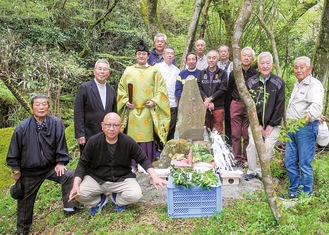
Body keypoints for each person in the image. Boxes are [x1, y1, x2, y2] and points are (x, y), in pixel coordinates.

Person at [69, 112, 168, 215]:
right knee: (79, 193)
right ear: (102, 126)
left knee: (136, 195)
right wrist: (75, 185)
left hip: (122, 178)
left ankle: (118, 200)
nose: (111, 129)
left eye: (115, 125)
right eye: (108, 125)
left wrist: (155, 177)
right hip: (97, 179)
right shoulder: (93, 142)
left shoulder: (128, 141)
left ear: (120, 127)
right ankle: (99, 201)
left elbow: (143, 159)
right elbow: (82, 164)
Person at [6, 94, 77, 235]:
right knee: (24, 202)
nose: (41, 107)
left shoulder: (56, 123)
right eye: (37, 104)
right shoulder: (22, 128)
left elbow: (61, 145)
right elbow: (14, 151)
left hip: (50, 167)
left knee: (69, 176)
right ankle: (22, 230)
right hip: (29, 171)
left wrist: (61, 162)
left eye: (44, 104)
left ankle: (70, 208)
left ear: (48, 107)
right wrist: (15, 169)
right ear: (32, 107)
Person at [117, 40, 170, 168]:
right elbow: (121, 90)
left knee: (147, 137)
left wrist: (154, 101)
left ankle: (146, 163)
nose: (141, 56)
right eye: (139, 54)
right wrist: (125, 102)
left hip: (147, 109)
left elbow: (162, 90)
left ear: (148, 56)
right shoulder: (128, 71)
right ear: (136, 55)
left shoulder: (154, 71)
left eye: (144, 54)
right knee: (132, 137)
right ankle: (132, 163)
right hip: (132, 110)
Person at [283, 56, 324, 198]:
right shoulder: (298, 84)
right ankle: (294, 192)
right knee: (289, 161)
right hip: (292, 128)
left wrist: (306, 119)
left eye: (302, 67)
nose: (298, 70)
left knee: (305, 163)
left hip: (305, 128)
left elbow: (316, 105)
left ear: (309, 69)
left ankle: (306, 196)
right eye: (296, 67)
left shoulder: (314, 84)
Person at [244, 52, 285, 181]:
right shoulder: (251, 82)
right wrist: (258, 124)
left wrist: (270, 126)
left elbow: (280, 105)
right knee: (251, 145)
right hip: (255, 123)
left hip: (273, 124)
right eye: (262, 63)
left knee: (267, 147)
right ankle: (251, 170)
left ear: (272, 65)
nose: (265, 66)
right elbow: (249, 105)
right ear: (258, 65)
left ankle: (263, 172)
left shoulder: (278, 82)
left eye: (268, 63)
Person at [74, 59, 117, 154]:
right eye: (99, 69)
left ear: (109, 73)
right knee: (88, 162)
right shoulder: (85, 88)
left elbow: (114, 113)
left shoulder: (111, 90)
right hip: (89, 133)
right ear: (94, 71)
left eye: (105, 69)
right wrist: (80, 134)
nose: (102, 72)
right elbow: (78, 112)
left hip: (107, 134)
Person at [228, 47, 258, 167]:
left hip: (249, 106)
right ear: (240, 57)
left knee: (246, 134)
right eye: (244, 55)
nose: (246, 58)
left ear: (252, 58)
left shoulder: (255, 74)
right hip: (236, 103)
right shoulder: (234, 72)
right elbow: (229, 88)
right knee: (235, 133)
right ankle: (237, 157)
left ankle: (246, 158)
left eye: (249, 56)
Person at [197, 50, 227, 134]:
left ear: (218, 59)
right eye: (209, 58)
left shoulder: (223, 73)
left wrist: (210, 99)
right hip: (204, 106)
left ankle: (217, 147)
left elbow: (222, 89)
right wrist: (205, 99)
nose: (211, 60)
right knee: (205, 131)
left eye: (214, 58)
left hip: (217, 106)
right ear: (206, 59)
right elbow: (198, 88)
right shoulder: (202, 73)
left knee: (217, 132)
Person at [156, 46, 180, 141]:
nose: (169, 55)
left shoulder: (177, 70)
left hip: (173, 103)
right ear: (163, 55)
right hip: (160, 103)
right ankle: (159, 147)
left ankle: (170, 144)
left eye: (172, 53)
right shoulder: (156, 68)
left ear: (174, 56)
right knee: (161, 126)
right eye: (167, 53)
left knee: (172, 125)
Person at [218, 45, 233, 147]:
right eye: (221, 51)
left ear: (228, 53)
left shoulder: (232, 65)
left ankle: (229, 142)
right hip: (217, 94)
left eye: (225, 51)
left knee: (228, 118)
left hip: (229, 94)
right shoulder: (216, 64)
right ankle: (217, 141)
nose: (223, 53)